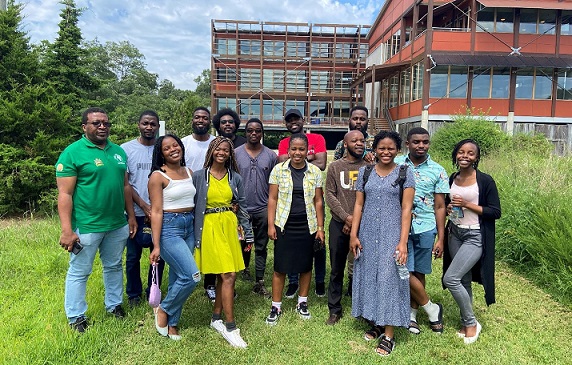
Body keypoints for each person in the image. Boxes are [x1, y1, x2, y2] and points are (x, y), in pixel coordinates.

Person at [55, 107, 137, 333]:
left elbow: (125, 186)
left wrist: (130, 216)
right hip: (87, 226)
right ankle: (76, 316)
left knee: (113, 266)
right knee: (80, 271)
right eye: (96, 123)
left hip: (117, 224)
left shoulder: (118, 151)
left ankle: (114, 305)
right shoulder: (73, 153)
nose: (102, 127)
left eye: (106, 123)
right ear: (84, 127)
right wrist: (67, 230)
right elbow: (65, 194)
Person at [350, 130, 415, 356]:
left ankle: (389, 334)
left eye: (390, 148)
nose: (386, 152)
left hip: (392, 234)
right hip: (367, 233)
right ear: (374, 149)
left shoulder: (405, 172)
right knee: (370, 276)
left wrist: (403, 242)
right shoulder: (365, 171)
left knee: (389, 278)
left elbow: (407, 209)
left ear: (398, 150)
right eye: (381, 148)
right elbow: (358, 205)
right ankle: (377, 321)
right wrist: (354, 234)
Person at [193, 136, 254, 348]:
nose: (222, 153)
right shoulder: (200, 176)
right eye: (218, 149)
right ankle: (231, 326)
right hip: (209, 227)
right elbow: (192, 205)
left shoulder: (234, 177)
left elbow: (243, 206)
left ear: (230, 154)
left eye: (226, 150)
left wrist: (248, 234)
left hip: (228, 225)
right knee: (228, 275)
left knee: (225, 274)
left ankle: (216, 318)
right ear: (211, 151)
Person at [443, 139, 501, 344]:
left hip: (475, 235)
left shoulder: (485, 181)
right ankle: (466, 321)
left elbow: (495, 212)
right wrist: (450, 208)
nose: (464, 156)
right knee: (463, 279)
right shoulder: (452, 178)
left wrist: (468, 204)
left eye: (470, 153)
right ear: (455, 154)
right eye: (461, 152)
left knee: (450, 279)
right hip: (455, 232)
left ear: (476, 157)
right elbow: (448, 203)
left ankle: (471, 323)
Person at [266, 133, 325, 325]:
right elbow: (272, 199)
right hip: (284, 224)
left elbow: (318, 201)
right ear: (288, 150)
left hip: (307, 225)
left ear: (308, 150)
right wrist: (270, 224)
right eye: (294, 149)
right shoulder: (278, 170)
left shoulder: (315, 172)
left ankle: (302, 302)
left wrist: (320, 228)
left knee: (306, 266)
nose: (297, 153)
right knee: (280, 267)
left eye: (301, 149)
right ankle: (276, 305)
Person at [395, 127, 447, 335]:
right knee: (402, 269)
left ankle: (412, 315)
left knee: (419, 271)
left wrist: (441, 238)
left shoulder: (438, 170)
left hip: (426, 227)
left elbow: (440, 206)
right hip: (399, 226)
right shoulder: (396, 164)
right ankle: (431, 308)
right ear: (407, 144)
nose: (421, 146)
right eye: (416, 142)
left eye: (425, 142)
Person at [148, 134, 200, 341]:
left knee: (178, 277)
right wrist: (156, 244)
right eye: (167, 148)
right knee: (192, 275)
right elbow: (157, 211)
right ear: (161, 153)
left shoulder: (190, 172)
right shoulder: (158, 176)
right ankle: (164, 309)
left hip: (190, 225)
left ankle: (173, 324)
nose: (173, 149)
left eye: (175, 145)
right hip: (170, 227)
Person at [277, 108, 327, 297]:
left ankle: (320, 280)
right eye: (289, 120)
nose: (293, 123)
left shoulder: (318, 138)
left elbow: (322, 165)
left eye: (296, 118)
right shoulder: (283, 142)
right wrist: (310, 157)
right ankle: (293, 282)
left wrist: (301, 160)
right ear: (286, 124)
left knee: (318, 243)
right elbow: (283, 163)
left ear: (303, 119)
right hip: (291, 201)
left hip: (313, 201)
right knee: (292, 244)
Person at [121, 110, 165, 306]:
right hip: (135, 213)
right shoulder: (126, 149)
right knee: (132, 256)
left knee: (158, 255)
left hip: (159, 213)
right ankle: (133, 294)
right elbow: (126, 184)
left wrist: (155, 208)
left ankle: (152, 289)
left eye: (153, 124)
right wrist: (143, 205)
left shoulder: (163, 148)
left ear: (158, 126)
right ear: (138, 125)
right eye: (145, 123)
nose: (149, 127)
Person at [325, 130, 368, 325]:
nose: (359, 143)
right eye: (355, 140)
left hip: (364, 226)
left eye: (362, 140)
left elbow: (372, 197)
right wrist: (347, 218)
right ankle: (334, 309)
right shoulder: (335, 167)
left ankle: (363, 307)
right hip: (338, 224)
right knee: (336, 268)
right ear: (345, 143)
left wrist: (356, 222)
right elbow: (330, 195)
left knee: (363, 267)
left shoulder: (371, 167)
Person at [332, 105, 375, 297]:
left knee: (360, 256)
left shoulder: (374, 143)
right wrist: (348, 218)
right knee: (341, 257)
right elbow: (337, 174)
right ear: (349, 119)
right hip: (344, 209)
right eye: (355, 118)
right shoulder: (342, 144)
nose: (358, 121)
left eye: (362, 118)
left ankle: (355, 286)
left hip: (366, 214)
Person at [235, 118, 277, 297]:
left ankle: (259, 281)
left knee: (261, 245)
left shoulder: (270, 155)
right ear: (245, 132)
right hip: (240, 208)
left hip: (262, 207)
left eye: (258, 130)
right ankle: (240, 272)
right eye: (250, 130)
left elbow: (275, 183)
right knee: (240, 243)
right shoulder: (235, 153)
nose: (254, 133)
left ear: (262, 133)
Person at [181, 106, 217, 301]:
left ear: (210, 121)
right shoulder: (184, 143)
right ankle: (185, 278)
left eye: (205, 117)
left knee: (210, 242)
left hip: (211, 199)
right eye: (197, 117)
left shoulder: (216, 143)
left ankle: (210, 284)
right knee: (188, 242)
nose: (201, 120)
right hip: (187, 199)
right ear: (192, 120)